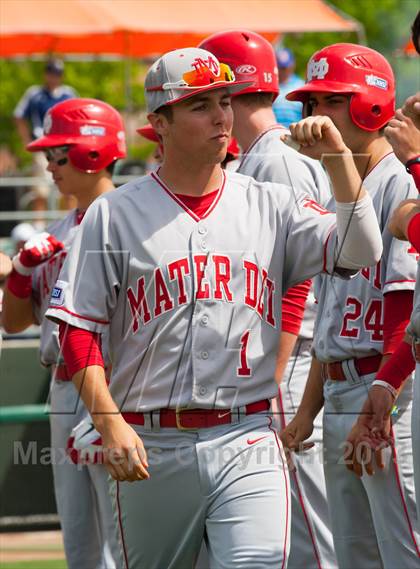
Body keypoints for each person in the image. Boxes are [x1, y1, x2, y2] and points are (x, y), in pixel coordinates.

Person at [45, 46, 382, 569]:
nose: (222, 115)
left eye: (225, 100)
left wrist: (339, 161)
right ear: (159, 122)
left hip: (247, 435)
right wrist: (108, 422)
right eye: (200, 105)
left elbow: (360, 250)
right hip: (149, 441)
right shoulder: (113, 215)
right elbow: (78, 329)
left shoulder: (270, 203)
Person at [199, 29, 337, 569]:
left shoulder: (275, 159)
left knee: (308, 530)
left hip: (290, 357)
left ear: (229, 92)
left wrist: (272, 375)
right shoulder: (262, 155)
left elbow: (299, 280)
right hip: (291, 355)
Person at [280, 43, 420, 568]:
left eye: (330, 101)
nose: (316, 115)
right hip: (342, 390)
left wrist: (381, 400)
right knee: (357, 558)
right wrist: (307, 412)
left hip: (387, 395)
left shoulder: (399, 185)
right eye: (312, 102)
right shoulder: (347, 192)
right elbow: (332, 323)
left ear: (372, 107)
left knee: (405, 550)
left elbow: (404, 311)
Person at [3, 98, 126, 569]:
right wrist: (20, 273)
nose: (49, 165)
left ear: (91, 151)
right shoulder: (55, 230)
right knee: (79, 537)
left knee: (121, 530)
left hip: (114, 382)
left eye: (57, 154)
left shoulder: (131, 218)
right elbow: (13, 322)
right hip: (62, 382)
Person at [14, 58, 77, 208]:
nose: (54, 77)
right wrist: (26, 141)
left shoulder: (69, 93)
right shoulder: (34, 93)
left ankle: (70, 226)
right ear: (46, 74)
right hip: (41, 147)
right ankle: (40, 225)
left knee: (68, 188)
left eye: (57, 74)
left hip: (64, 148)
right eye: (51, 73)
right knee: (40, 191)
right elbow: (18, 115)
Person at [272, 47, 305, 127]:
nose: (283, 71)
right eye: (279, 67)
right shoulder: (270, 86)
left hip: (296, 133)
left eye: (285, 67)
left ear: (292, 65)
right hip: (273, 132)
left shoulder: (302, 86)